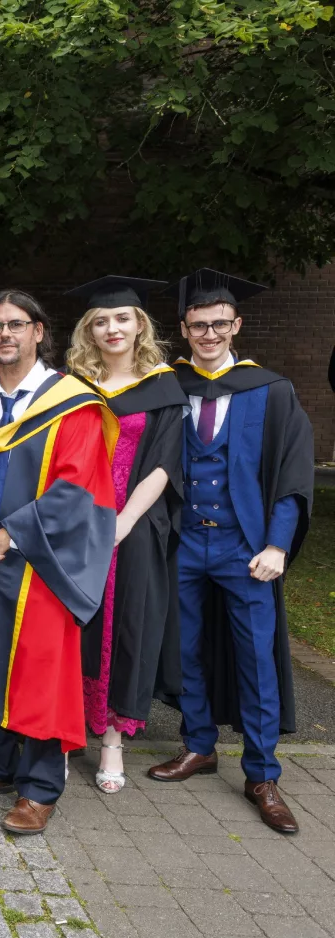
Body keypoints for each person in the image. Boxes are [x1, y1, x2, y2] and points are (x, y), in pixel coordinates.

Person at [0, 289, 115, 834]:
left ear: (39, 331)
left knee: (37, 673)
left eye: (16, 324)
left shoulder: (73, 403)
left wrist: (9, 537)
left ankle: (39, 788)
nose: (4, 334)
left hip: (37, 561)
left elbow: (77, 488)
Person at [148, 269, 313, 835]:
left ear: (237, 325)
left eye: (220, 323)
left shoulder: (270, 390)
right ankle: (198, 746)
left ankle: (262, 774)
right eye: (200, 325)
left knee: (256, 659)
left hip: (246, 548)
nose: (210, 333)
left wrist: (277, 544)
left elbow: (292, 478)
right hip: (185, 542)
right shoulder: (170, 386)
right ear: (185, 328)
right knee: (186, 649)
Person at [64, 276, 185, 794]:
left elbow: (164, 464)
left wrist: (126, 521)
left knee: (127, 628)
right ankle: (64, 734)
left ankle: (112, 738)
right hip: (76, 522)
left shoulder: (162, 387)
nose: (111, 328)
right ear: (88, 329)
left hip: (133, 525)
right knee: (70, 627)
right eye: (101, 320)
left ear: (140, 325)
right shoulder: (70, 383)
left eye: (122, 318)